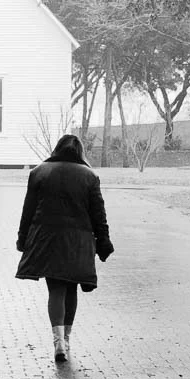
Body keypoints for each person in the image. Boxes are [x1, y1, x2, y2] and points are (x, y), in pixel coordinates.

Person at [15, 134, 114, 364]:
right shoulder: (89, 176)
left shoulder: (39, 172)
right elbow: (99, 214)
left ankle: (58, 341)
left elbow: (27, 211)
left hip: (47, 239)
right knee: (71, 290)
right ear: (80, 152)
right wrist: (103, 241)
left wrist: (23, 238)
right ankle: (66, 340)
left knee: (56, 290)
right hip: (78, 241)